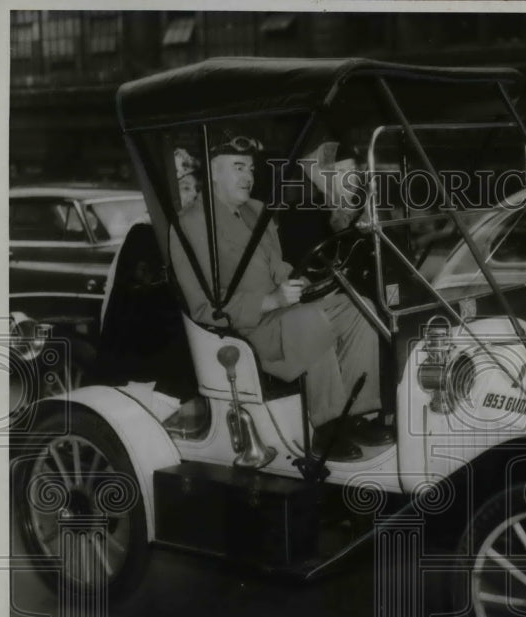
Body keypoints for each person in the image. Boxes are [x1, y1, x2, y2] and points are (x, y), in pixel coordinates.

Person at [168, 128, 392, 461]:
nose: (248, 176)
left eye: (251, 168)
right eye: (238, 167)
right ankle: (326, 426)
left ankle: (355, 413)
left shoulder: (256, 211)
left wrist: (308, 283)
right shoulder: (191, 225)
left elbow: (278, 266)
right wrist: (271, 300)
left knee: (359, 309)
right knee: (310, 321)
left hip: (283, 310)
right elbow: (203, 306)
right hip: (246, 325)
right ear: (213, 171)